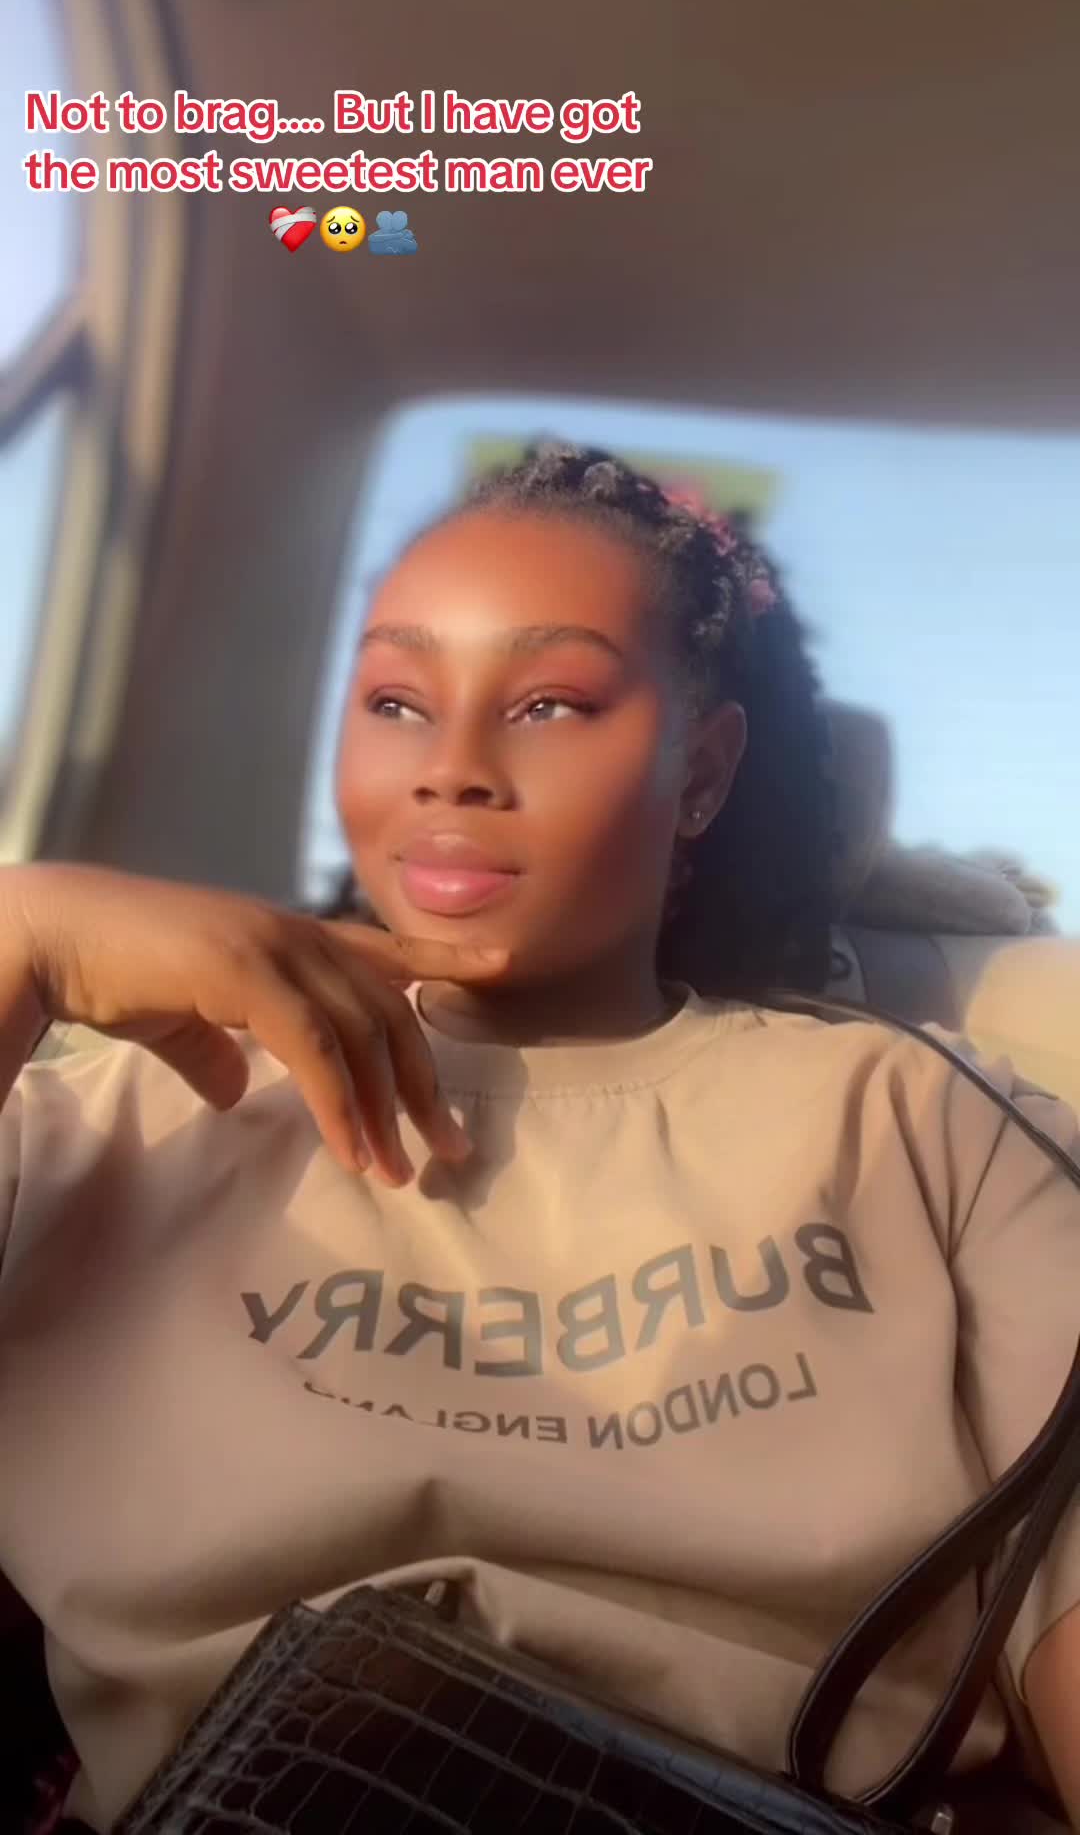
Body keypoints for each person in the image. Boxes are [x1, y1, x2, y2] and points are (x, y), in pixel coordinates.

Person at [0, 444, 1076, 1834]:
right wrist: (21, 939)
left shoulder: (928, 1122)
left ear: (703, 772)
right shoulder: (101, 1122)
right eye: (396, 702)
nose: (451, 770)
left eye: (550, 704)